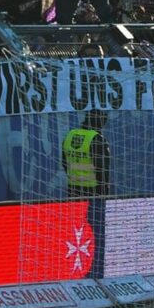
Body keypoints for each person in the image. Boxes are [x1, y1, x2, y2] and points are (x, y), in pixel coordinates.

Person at [61, 110, 111, 279]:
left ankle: (72, 272)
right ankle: (95, 272)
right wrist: (105, 193)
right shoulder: (96, 139)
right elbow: (103, 170)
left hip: (73, 193)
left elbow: (64, 163)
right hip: (93, 195)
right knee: (95, 236)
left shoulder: (70, 136)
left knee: (74, 236)